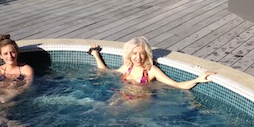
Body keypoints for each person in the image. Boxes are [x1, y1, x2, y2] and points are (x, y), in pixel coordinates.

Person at [87, 36, 215, 91]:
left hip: (139, 105)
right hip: (121, 97)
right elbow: (106, 72)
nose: (138, 58)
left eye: (142, 53)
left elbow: (177, 85)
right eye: (134, 53)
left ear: (147, 54)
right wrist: (96, 54)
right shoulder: (128, 67)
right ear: (129, 55)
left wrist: (198, 79)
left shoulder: (151, 70)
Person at [0, 34, 34, 104]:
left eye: (12, 52)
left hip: (18, 98)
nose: (10, 56)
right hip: (0, 98)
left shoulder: (26, 70)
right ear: (1, 56)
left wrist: (13, 92)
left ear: (17, 52)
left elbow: (28, 85)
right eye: (5, 53)